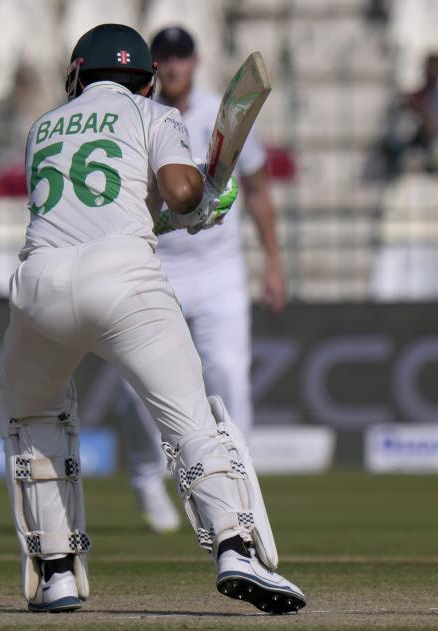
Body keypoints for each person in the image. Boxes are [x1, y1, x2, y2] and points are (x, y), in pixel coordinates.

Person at [0, 23, 306, 615]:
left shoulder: (42, 129)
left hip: (38, 283)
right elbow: (179, 189)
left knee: (33, 416)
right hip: (123, 282)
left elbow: (92, 206)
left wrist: (176, 213)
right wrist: (207, 193)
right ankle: (234, 549)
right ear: (144, 80)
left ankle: (58, 571)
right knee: (190, 418)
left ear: (77, 74)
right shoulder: (154, 115)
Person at [116, 26, 285, 535]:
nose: (171, 67)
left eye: (180, 58)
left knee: (230, 377)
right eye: (162, 59)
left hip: (219, 273)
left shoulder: (220, 112)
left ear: (194, 61)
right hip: (155, 265)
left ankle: (239, 488)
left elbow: (256, 191)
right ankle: (148, 478)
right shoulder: (139, 115)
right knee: (143, 389)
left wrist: (274, 263)